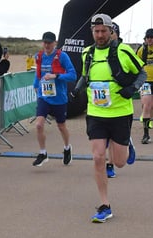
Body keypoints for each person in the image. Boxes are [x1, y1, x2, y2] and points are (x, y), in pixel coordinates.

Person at [78, 13, 146, 222]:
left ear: (111, 31)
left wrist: (132, 89)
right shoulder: (87, 53)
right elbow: (85, 75)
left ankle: (126, 145)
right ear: (92, 32)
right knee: (98, 157)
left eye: (103, 31)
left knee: (120, 162)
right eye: (96, 31)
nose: (99, 35)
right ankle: (104, 204)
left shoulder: (123, 51)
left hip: (120, 113)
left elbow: (142, 73)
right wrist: (77, 89)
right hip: (96, 113)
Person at [32, 31, 77, 166]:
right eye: (44, 42)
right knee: (39, 124)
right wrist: (35, 85)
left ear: (55, 43)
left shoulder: (62, 56)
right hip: (44, 97)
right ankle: (43, 153)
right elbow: (38, 73)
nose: (46, 45)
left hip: (59, 98)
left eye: (49, 42)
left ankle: (67, 148)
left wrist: (56, 76)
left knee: (61, 126)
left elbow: (73, 75)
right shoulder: (39, 56)